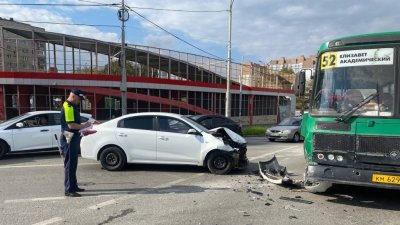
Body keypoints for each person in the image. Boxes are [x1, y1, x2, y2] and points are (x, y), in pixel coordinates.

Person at [60, 88, 91, 197]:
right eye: (79, 99)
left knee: (73, 164)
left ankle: (73, 186)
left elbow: (75, 124)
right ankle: (69, 189)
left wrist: (83, 131)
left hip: (72, 137)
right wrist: (85, 126)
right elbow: (71, 125)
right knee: (69, 164)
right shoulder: (68, 107)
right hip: (68, 138)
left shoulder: (72, 106)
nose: (79, 101)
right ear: (73, 96)